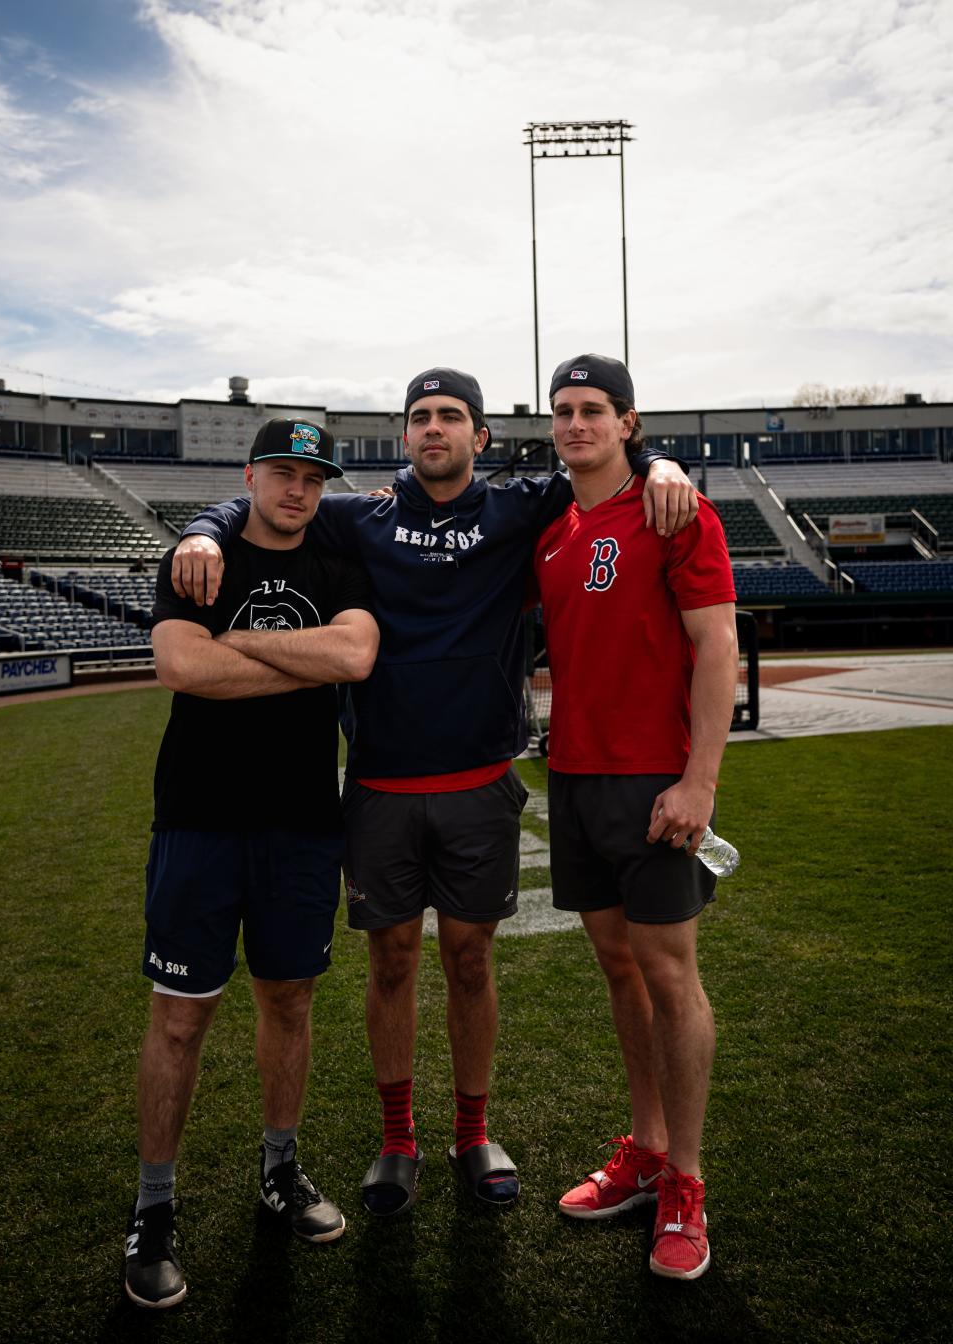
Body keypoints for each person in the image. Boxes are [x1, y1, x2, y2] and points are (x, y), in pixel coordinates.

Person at [170, 368, 697, 1218]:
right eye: (420, 417)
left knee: (470, 958)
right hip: (379, 785)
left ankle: (472, 1130)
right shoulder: (360, 517)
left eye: (452, 417)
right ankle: (397, 1138)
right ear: (402, 436)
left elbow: (609, 463)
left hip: (480, 784)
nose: (435, 429)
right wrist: (202, 529)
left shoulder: (522, 509)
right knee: (391, 961)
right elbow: (269, 504)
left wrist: (664, 462)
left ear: (480, 437)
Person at [125, 420, 379, 1309]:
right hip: (198, 818)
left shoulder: (339, 558)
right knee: (182, 1017)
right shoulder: (199, 556)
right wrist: (294, 665)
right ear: (250, 474)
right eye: (283, 472)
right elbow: (176, 666)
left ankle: (281, 1168)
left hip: (303, 823)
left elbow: (352, 654)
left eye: (314, 476)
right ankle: (154, 1207)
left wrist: (229, 650)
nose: (299, 490)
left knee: (290, 999)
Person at [534, 354, 737, 1282]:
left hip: (654, 780)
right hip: (572, 781)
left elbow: (716, 646)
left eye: (593, 411)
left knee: (668, 971)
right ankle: (647, 1148)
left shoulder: (677, 508)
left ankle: (686, 1184)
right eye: (563, 411)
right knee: (619, 966)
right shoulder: (552, 525)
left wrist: (700, 782)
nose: (576, 424)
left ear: (629, 421)